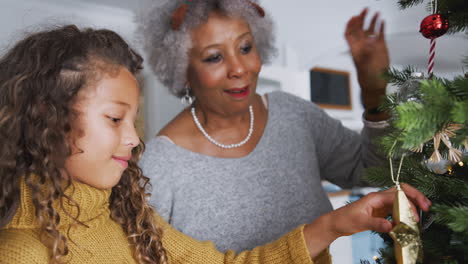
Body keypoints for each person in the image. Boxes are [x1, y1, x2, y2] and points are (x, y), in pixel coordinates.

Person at [0, 25, 431, 264]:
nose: (133, 138)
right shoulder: (23, 252)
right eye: (115, 118)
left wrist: (336, 224)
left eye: (246, 47)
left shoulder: (124, 212)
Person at [138, 0, 392, 252]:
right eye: (214, 57)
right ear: (182, 70)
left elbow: (375, 170)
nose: (239, 68)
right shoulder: (158, 166)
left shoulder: (294, 115)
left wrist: (374, 92)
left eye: (246, 47)